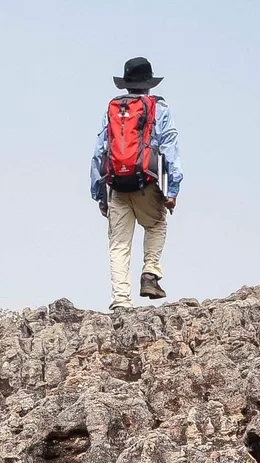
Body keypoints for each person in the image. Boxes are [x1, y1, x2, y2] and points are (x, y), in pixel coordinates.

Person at [90, 57, 183, 310]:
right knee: (156, 224)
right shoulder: (159, 109)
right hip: (146, 184)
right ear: (149, 84)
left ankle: (121, 301)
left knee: (119, 244)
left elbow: (100, 153)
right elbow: (169, 149)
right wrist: (172, 189)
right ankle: (150, 274)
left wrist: (99, 195)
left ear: (126, 85)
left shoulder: (111, 111)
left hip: (117, 186)